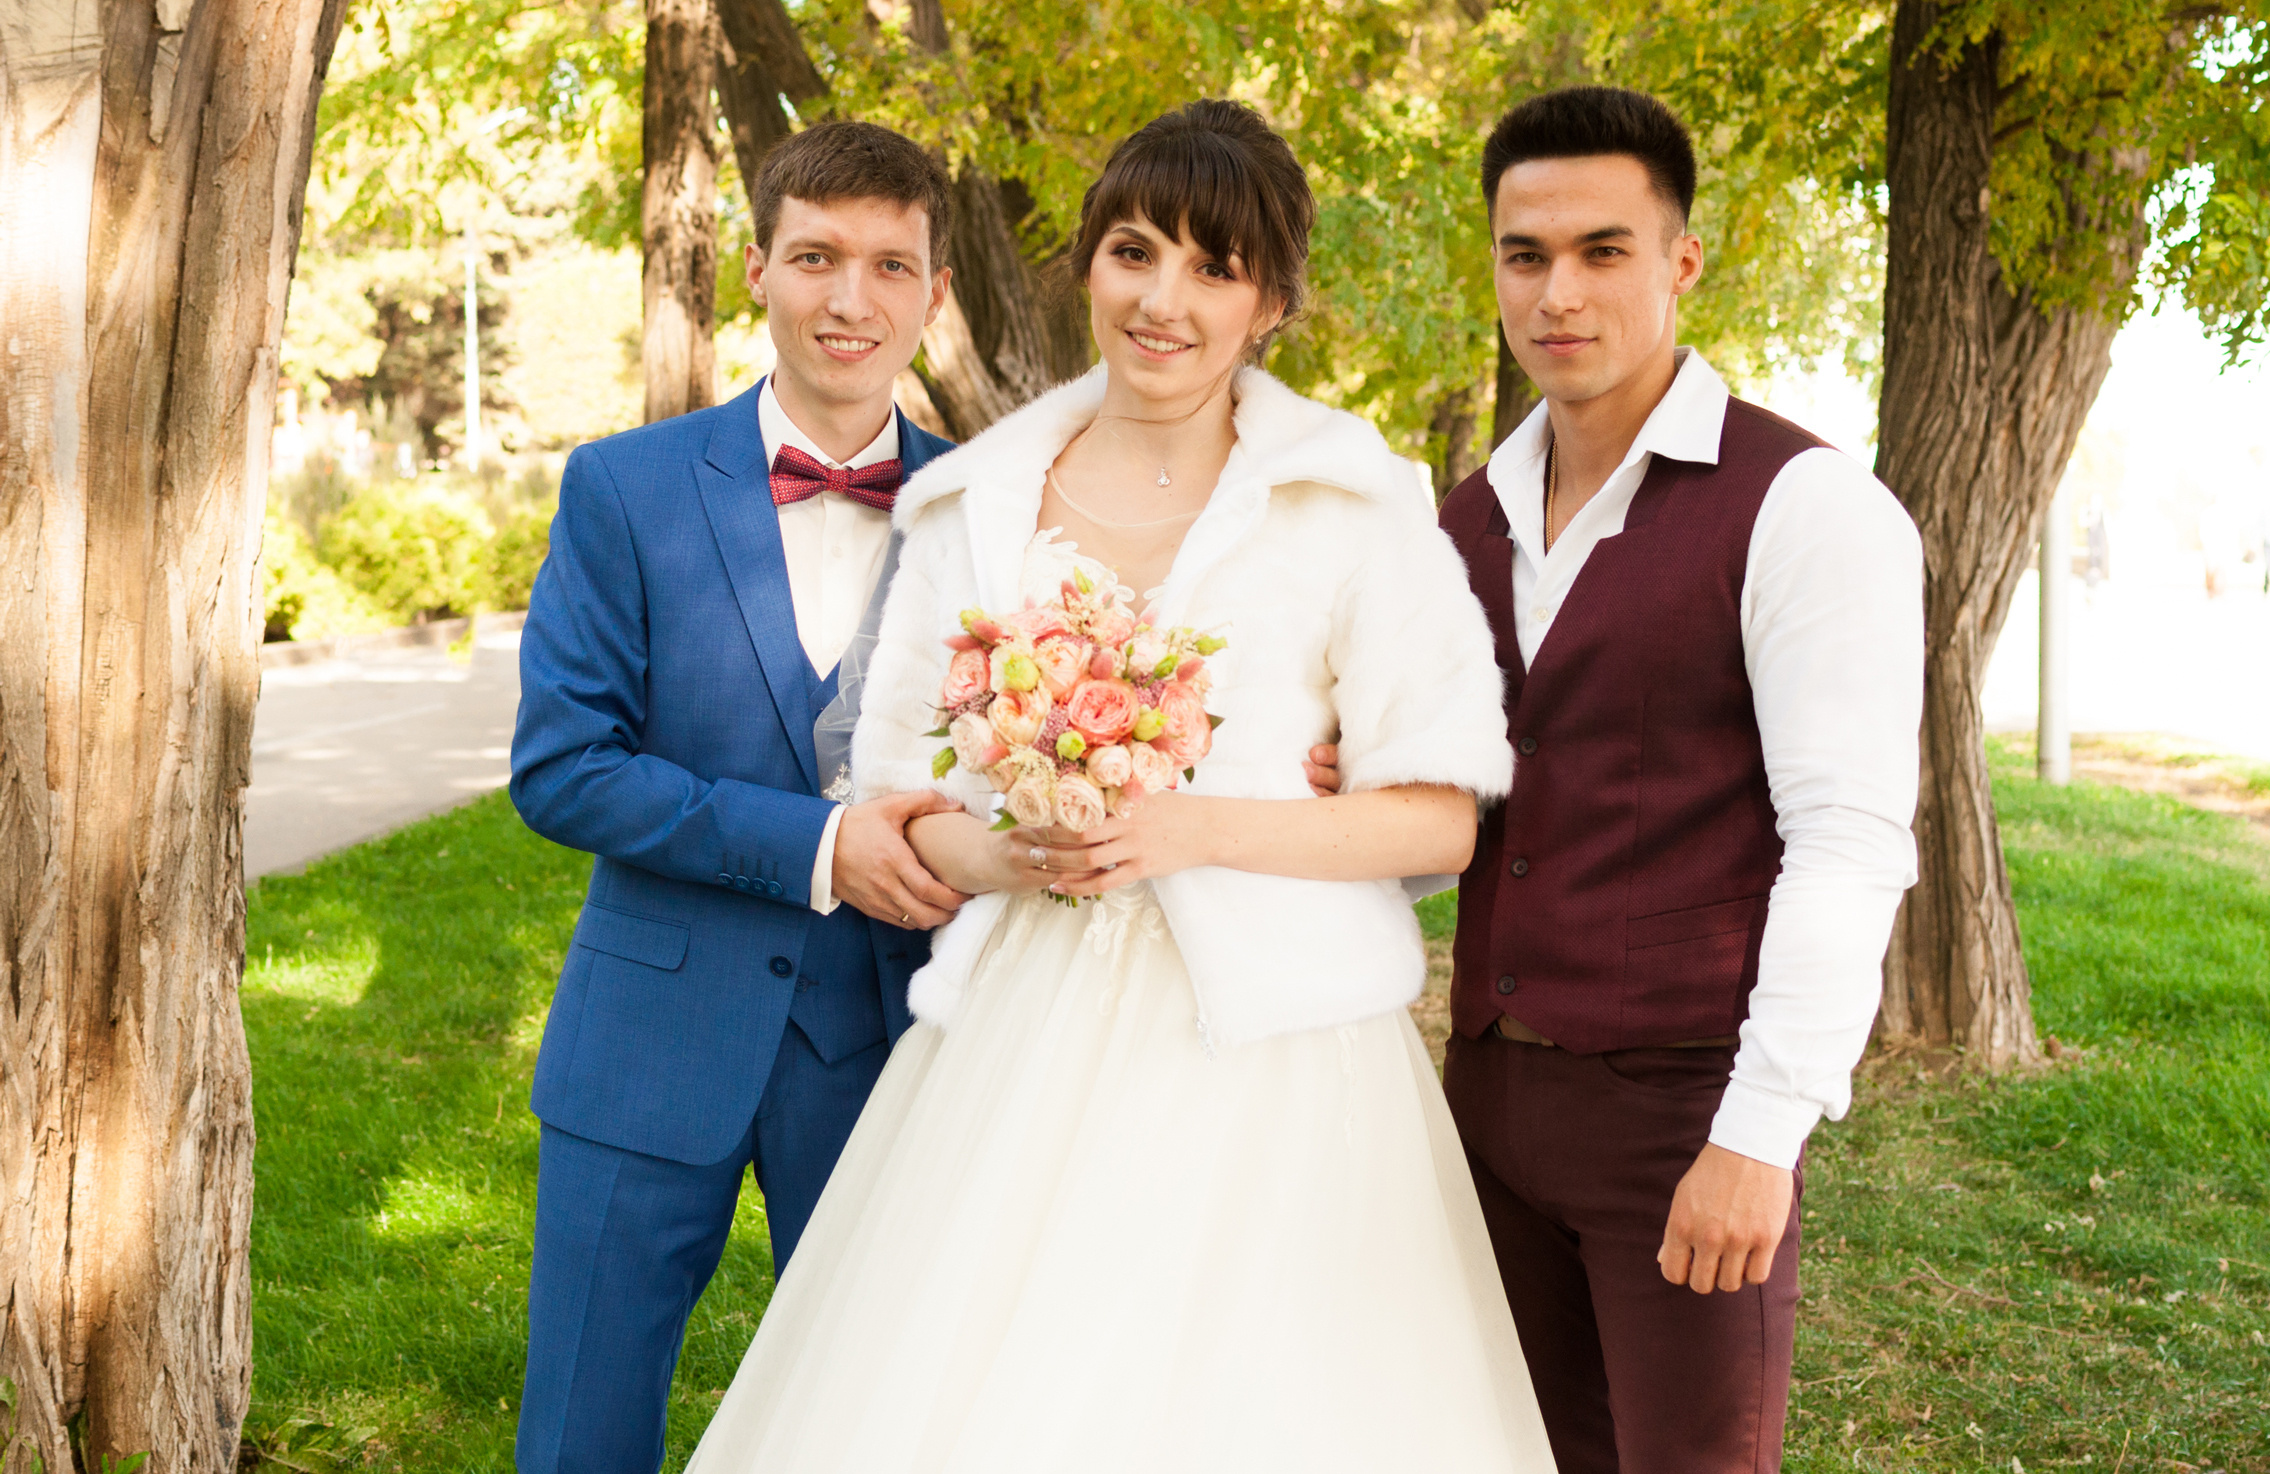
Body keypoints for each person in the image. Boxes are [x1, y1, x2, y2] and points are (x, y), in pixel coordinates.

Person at [682, 100, 1557, 1473]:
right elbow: (900, 797)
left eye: (1215, 269)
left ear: (1270, 302)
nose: (1164, 300)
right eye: (1136, 251)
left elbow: (1440, 817)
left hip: (1285, 1043)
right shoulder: (976, 503)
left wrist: (1186, 825)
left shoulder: (1355, 500)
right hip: (1024, 1029)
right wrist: (1015, 845)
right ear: (1088, 261)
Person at [1434, 86, 1924, 1472]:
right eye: (1525, 254)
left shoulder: (1806, 506)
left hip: (1681, 1110)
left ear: (1682, 260)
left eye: (1604, 249)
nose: (1559, 292)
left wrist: (1760, 1132)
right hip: (1486, 1105)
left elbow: (1849, 839)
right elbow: (1455, 833)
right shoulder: (1466, 519)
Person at [508, 120, 973, 1474]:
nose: (851, 298)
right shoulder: (625, 487)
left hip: (891, 1042)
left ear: (932, 295)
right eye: (817, 256)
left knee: (874, 1428)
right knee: (583, 1430)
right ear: (758, 268)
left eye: (892, 266)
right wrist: (819, 844)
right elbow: (563, 766)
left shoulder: (988, 507)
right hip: (647, 1037)